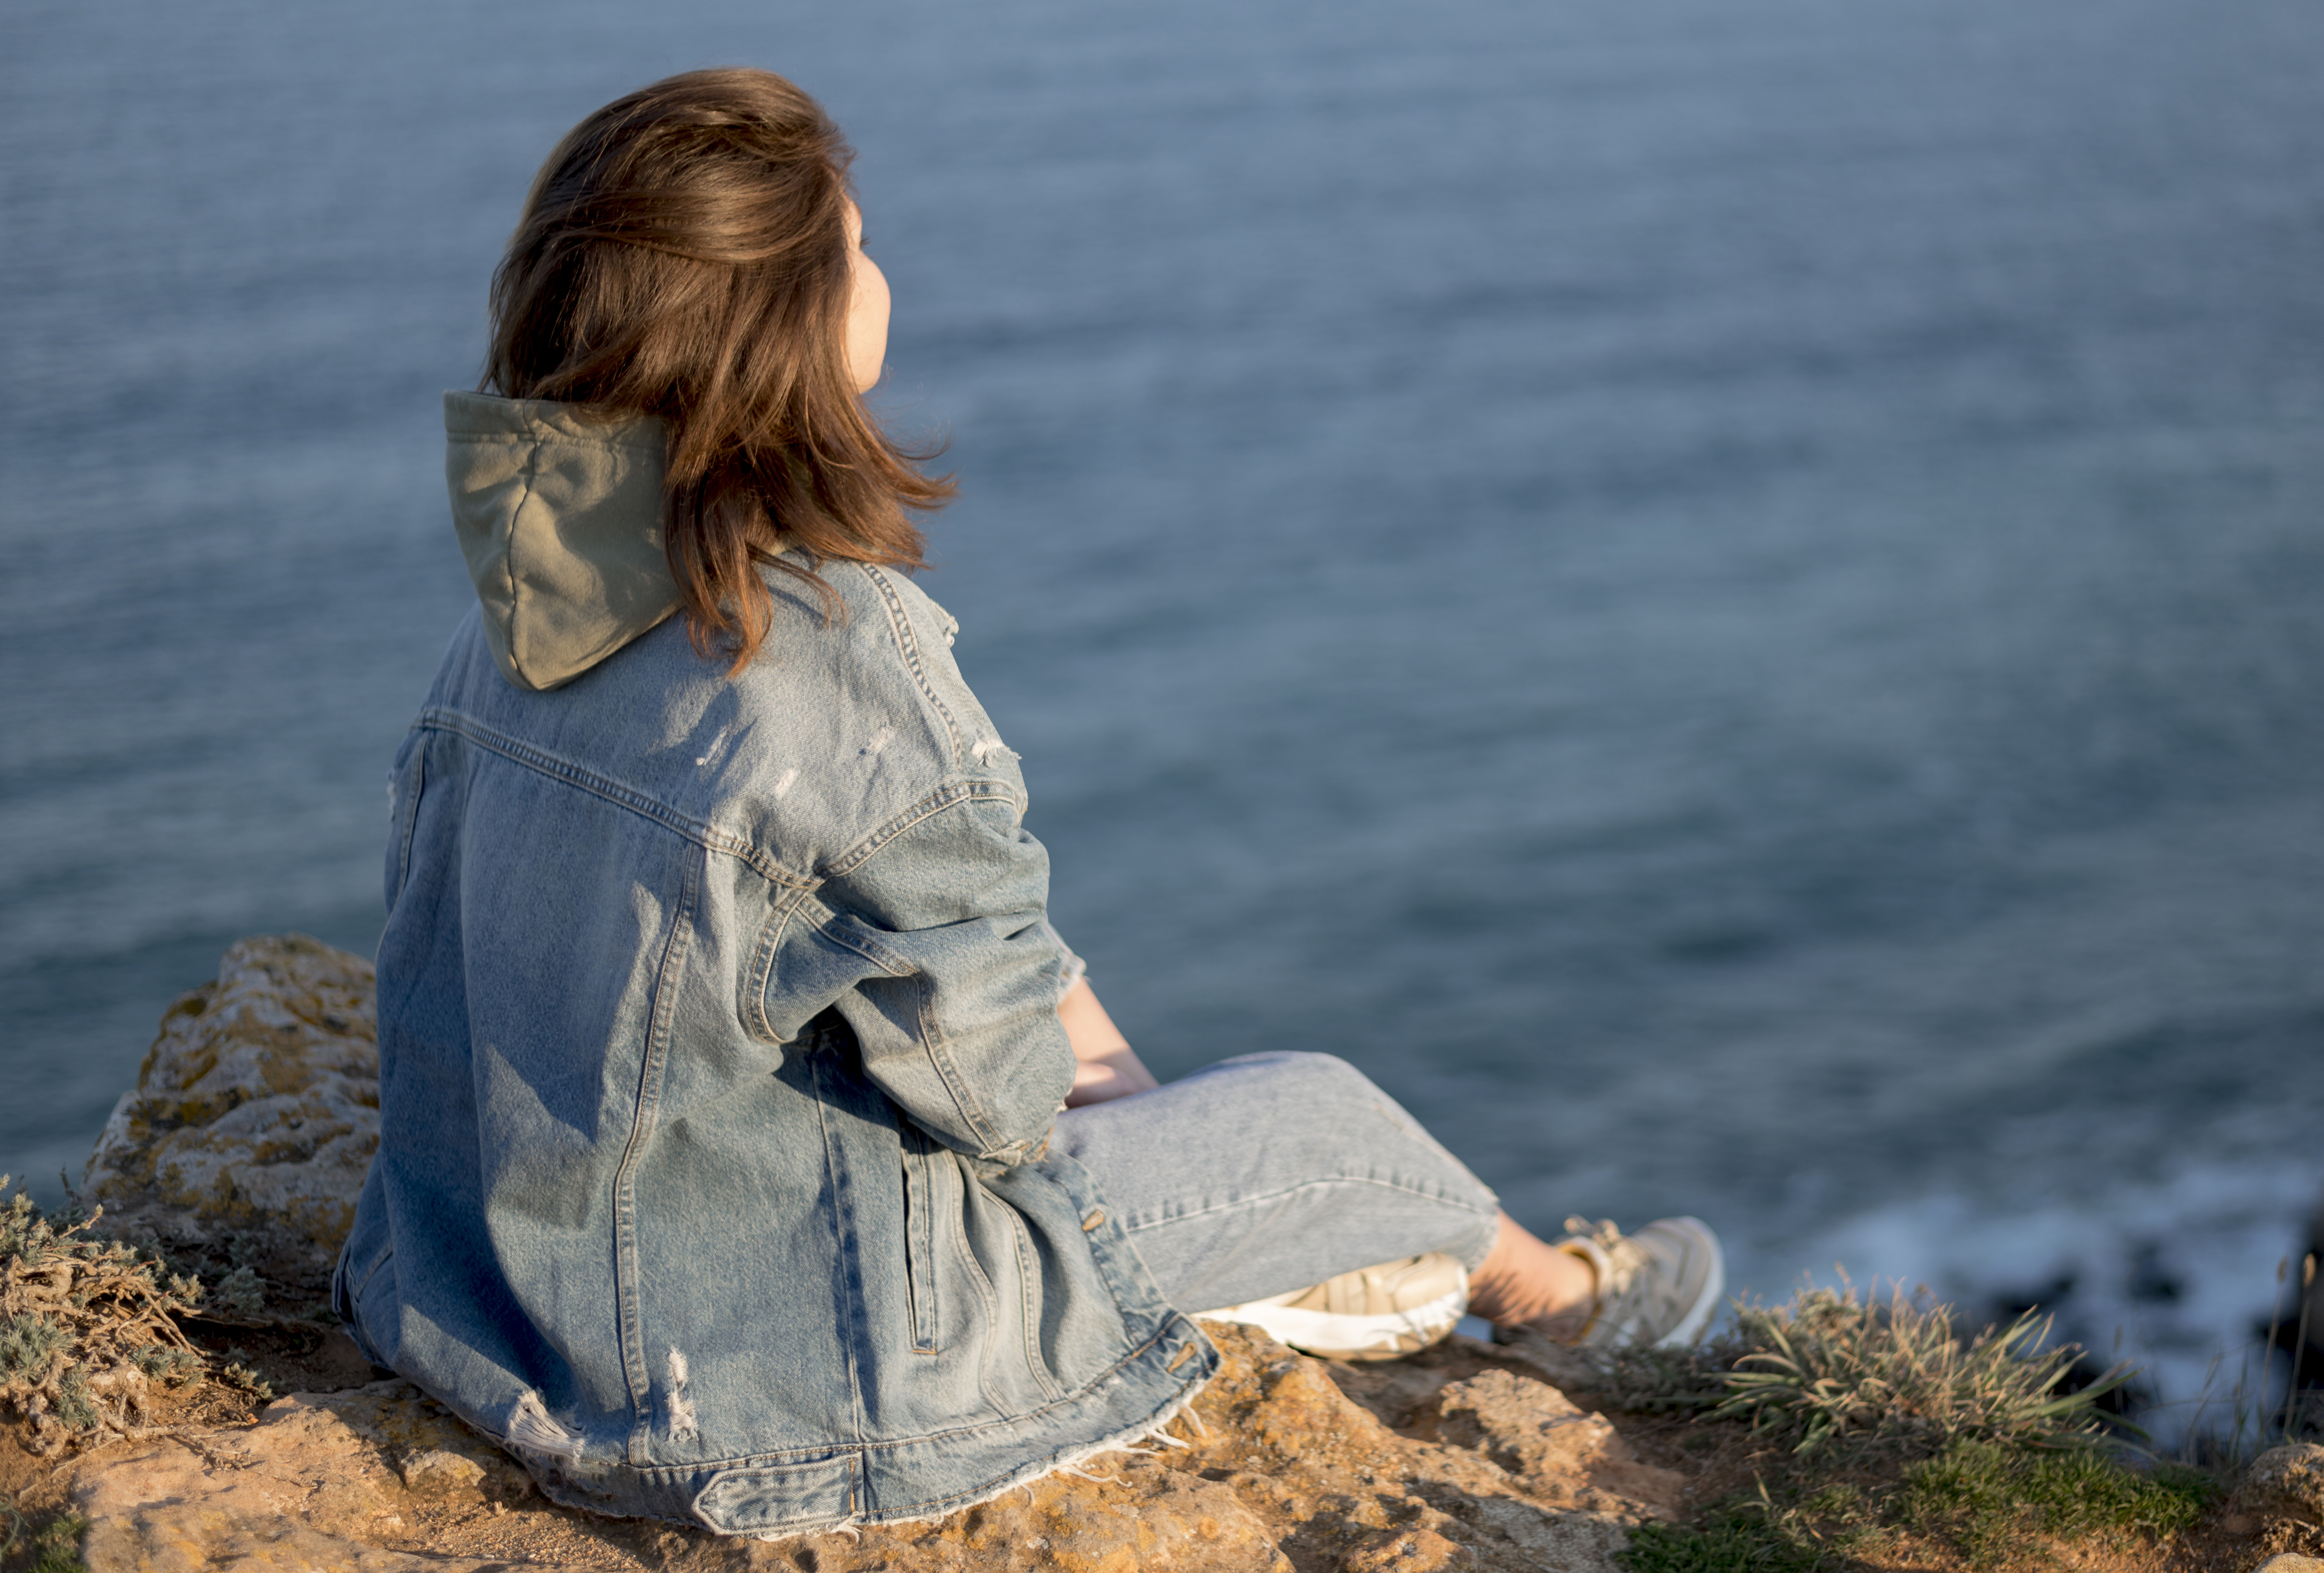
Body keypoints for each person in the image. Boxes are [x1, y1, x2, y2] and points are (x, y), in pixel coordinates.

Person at [334, 67, 1722, 1537]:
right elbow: (997, 1101)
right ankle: (1562, 1298)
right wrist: (1110, 1098)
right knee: (1326, 1117)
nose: (883, 273)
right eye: (857, 248)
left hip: (485, 1304)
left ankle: (1368, 1263)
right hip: (784, 1374)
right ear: (787, 322)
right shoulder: (840, 660)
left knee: (1042, 1004)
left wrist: (1072, 1038)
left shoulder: (506, 627)